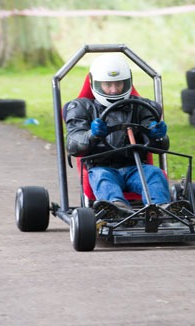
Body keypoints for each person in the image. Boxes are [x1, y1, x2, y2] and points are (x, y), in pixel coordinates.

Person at [64, 53, 187, 217]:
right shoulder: (81, 107)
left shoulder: (142, 107)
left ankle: (161, 208)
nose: (114, 90)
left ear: (127, 82)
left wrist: (156, 135)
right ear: (95, 83)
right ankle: (117, 207)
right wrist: (91, 135)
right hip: (102, 167)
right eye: (108, 85)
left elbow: (160, 147)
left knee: (154, 173)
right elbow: (73, 144)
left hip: (136, 168)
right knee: (102, 177)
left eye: (119, 84)